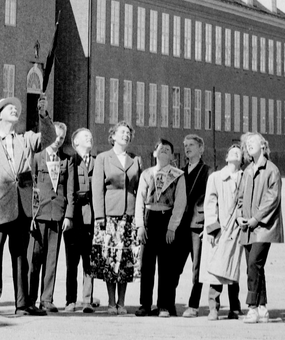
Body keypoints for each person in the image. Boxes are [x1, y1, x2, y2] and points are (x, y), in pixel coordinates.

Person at [0, 95, 57, 315]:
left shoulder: (25, 139)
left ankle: (23, 304)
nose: (13, 110)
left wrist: (43, 114)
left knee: (21, 257)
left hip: (23, 207)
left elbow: (49, 138)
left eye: (15, 108)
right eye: (8, 108)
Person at [90, 121, 143, 315]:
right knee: (110, 260)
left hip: (129, 216)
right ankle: (111, 302)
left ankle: (122, 302)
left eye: (128, 133)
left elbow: (140, 189)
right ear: (112, 136)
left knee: (126, 260)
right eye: (122, 132)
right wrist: (99, 216)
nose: (125, 136)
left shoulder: (135, 160)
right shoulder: (103, 158)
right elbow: (97, 189)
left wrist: (139, 217)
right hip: (109, 217)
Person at [237, 131, 283, 324]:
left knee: (253, 264)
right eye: (246, 143)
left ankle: (252, 307)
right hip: (247, 227)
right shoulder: (247, 171)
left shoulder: (272, 170)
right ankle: (263, 308)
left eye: (252, 142)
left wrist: (256, 218)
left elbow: (272, 199)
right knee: (255, 266)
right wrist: (240, 215)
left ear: (263, 145)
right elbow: (239, 197)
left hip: (263, 227)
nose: (248, 145)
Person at [134, 138, 183, 316]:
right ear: (154, 153)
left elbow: (180, 203)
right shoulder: (146, 174)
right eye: (161, 149)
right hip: (149, 218)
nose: (164, 151)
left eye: (168, 150)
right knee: (146, 265)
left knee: (166, 265)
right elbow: (140, 198)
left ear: (172, 155)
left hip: (166, 218)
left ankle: (163, 305)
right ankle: (145, 304)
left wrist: (172, 227)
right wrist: (140, 225)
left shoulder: (177, 175)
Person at [167, 134, 211, 317]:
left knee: (197, 268)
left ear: (201, 149)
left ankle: (193, 305)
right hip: (180, 225)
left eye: (191, 145)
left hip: (197, 226)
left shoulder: (208, 172)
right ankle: (168, 304)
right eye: (185, 145)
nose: (187, 148)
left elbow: (211, 200)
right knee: (174, 266)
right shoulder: (180, 172)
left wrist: (207, 226)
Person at [29, 121, 70, 312]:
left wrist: (68, 216)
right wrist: (31, 215)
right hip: (39, 214)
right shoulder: (37, 157)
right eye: (54, 137)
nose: (58, 141)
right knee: (34, 258)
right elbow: (31, 186)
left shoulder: (66, 160)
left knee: (52, 259)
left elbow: (69, 190)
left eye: (61, 138)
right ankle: (29, 299)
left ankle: (46, 299)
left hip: (57, 214)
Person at [201, 142, 244, 319]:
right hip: (220, 229)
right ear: (226, 158)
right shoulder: (216, 177)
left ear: (242, 159)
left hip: (237, 230)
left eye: (238, 152)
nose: (235, 153)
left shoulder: (245, 177)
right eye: (231, 151)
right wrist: (213, 229)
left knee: (233, 269)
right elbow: (210, 203)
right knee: (215, 270)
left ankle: (234, 307)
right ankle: (213, 307)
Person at [63, 127, 99, 313]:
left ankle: (87, 300)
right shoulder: (69, 161)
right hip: (73, 215)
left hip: (91, 216)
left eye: (91, 137)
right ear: (75, 142)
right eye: (86, 137)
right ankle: (70, 300)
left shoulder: (97, 162)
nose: (90, 139)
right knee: (71, 262)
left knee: (89, 260)